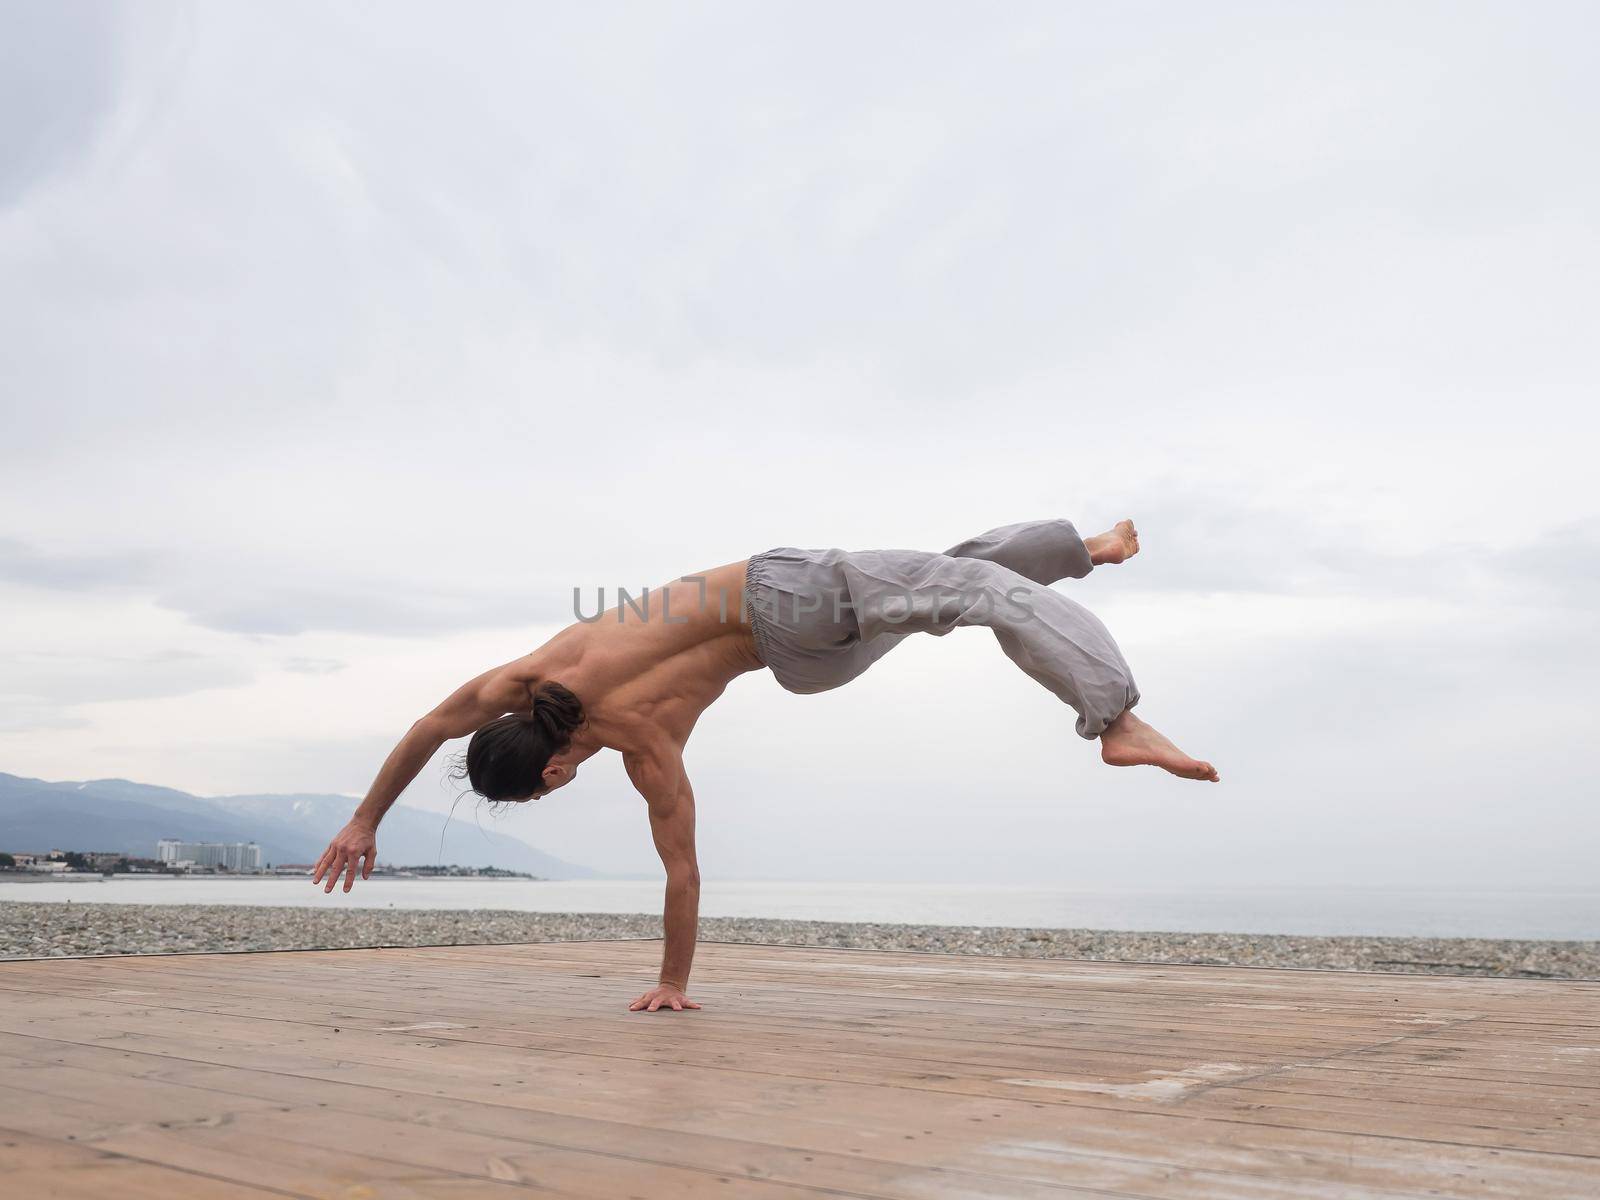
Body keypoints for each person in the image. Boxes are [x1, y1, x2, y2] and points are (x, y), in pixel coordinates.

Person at [313, 518, 1218, 1012]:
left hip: (803, 667)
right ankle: (1117, 717)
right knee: (965, 585)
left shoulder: (646, 750)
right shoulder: (531, 672)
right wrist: (365, 819)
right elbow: (429, 727)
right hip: (781, 592)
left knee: (950, 583)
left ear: (548, 772)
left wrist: (674, 983)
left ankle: (1081, 554)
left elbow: (682, 872)